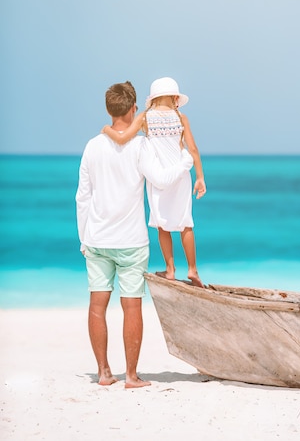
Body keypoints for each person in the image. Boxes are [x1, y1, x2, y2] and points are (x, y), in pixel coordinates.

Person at [76, 81, 193, 389]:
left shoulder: (92, 146)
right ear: (132, 109)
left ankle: (103, 373)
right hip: (131, 241)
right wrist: (186, 161)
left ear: (109, 109)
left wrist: (83, 238)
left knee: (97, 306)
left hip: (97, 239)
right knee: (132, 305)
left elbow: (82, 198)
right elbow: (163, 180)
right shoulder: (141, 146)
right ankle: (130, 376)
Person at [102, 76, 206, 287]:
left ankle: (170, 269)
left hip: (159, 179)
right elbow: (193, 149)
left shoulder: (145, 117)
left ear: (153, 99)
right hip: (181, 178)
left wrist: (106, 129)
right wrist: (200, 177)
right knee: (185, 223)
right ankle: (193, 269)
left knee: (162, 225)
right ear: (175, 97)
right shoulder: (181, 117)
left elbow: (122, 139)